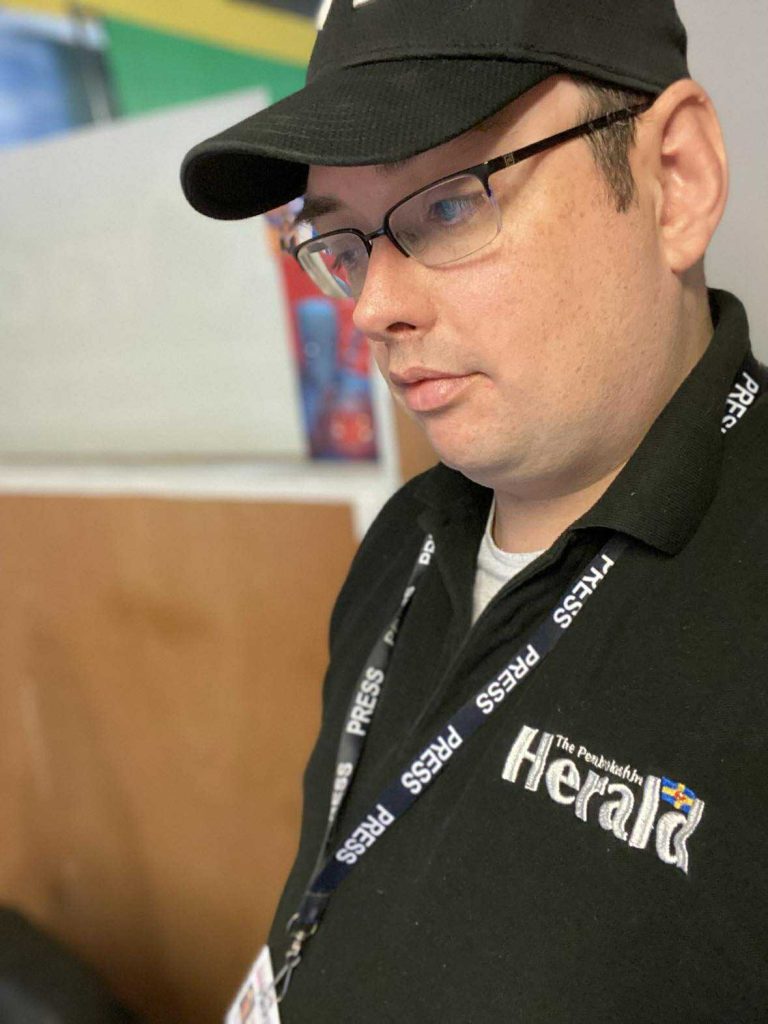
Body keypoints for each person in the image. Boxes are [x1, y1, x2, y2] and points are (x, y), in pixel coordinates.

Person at [181, 1, 768, 1020]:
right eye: (341, 243)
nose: (372, 308)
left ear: (676, 180)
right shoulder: (405, 537)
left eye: (450, 205)